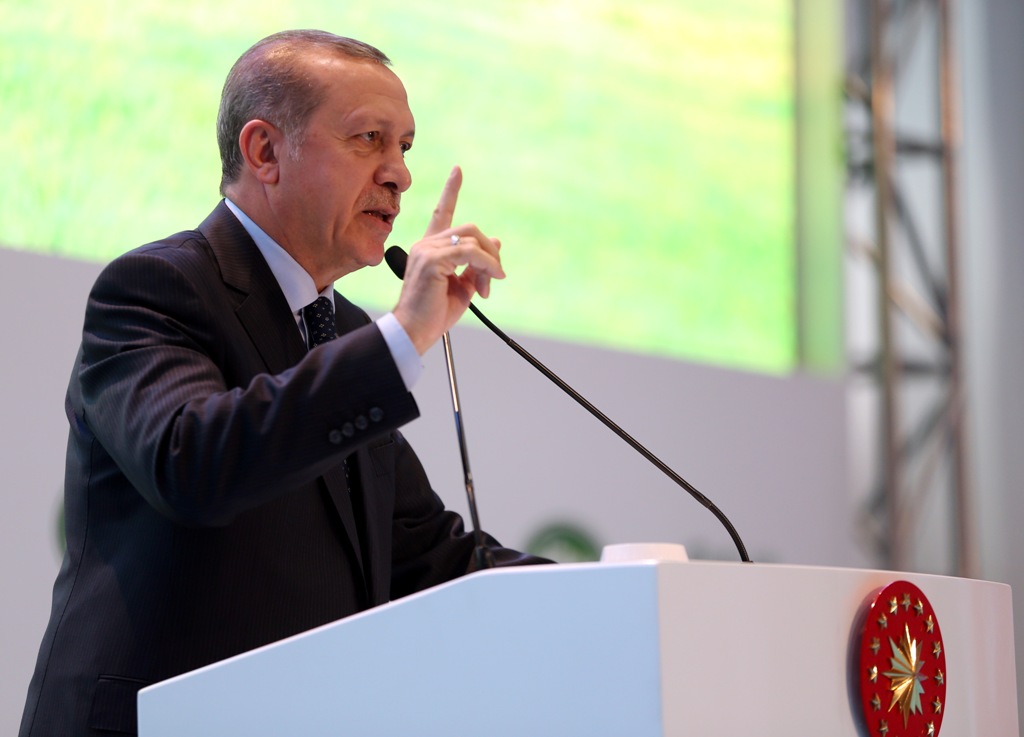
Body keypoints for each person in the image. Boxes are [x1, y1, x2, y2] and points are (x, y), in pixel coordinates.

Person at [19, 29, 547, 737]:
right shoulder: (156, 290)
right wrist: (404, 336)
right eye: (368, 139)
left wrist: (616, 594)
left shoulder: (348, 331)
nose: (399, 175)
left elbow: (427, 554)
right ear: (265, 151)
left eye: (406, 147)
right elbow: (193, 462)